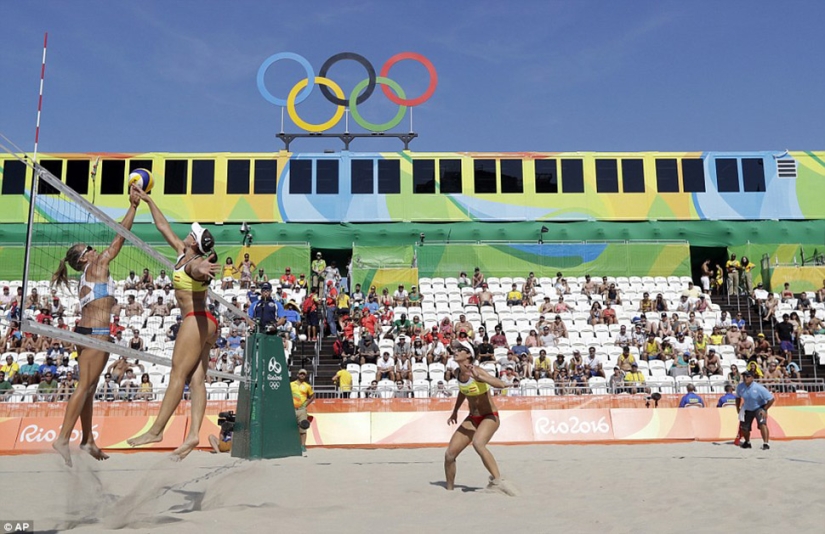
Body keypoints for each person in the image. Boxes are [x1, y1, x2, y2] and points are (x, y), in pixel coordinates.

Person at [127, 188, 221, 460]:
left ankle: (157, 430)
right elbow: (162, 225)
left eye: (192, 233)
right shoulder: (183, 251)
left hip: (196, 320)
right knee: (197, 380)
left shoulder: (194, 263)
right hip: (206, 322)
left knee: (177, 375)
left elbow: (197, 270)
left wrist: (202, 269)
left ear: (195, 243)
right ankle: (193, 435)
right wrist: (148, 200)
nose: (188, 234)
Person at [51, 186, 140, 466]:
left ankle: (87, 439)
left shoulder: (87, 275)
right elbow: (120, 239)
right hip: (95, 335)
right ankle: (62, 438)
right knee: (85, 386)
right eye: (89, 248)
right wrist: (134, 207)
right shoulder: (98, 265)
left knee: (90, 387)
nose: (94, 249)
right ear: (85, 257)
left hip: (89, 334)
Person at [444, 347, 513, 493]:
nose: (455, 351)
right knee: (450, 455)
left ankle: (498, 480)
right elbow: (463, 392)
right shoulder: (457, 373)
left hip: (489, 416)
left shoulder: (477, 371)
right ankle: (449, 490)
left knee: (478, 443)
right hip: (473, 418)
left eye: (460, 349)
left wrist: (480, 377)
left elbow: (498, 383)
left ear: (468, 354)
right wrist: (455, 411)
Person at [735, 370, 775, 450]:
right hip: (747, 408)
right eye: (744, 376)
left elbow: (771, 399)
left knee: (762, 424)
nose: (745, 378)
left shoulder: (759, 388)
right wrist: (738, 409)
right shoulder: (740, 386)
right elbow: (738, 398)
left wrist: (764, 409)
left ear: (753, 378)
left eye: (748, 376)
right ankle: (747, 442)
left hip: (759, 407)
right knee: (744, 427)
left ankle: (766, 443)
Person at [291, 369, 314, 452]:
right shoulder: (291, 384)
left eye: (304, 374)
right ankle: (293, 445)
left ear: (305, 376)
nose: (302, 375)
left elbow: (312, 396)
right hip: (292, 409)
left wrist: (306, 404)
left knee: (303, 428)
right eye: (301, 373)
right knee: (291, 428)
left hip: (302, 409)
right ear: (297, 374)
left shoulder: (307, 386)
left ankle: (303, 445)